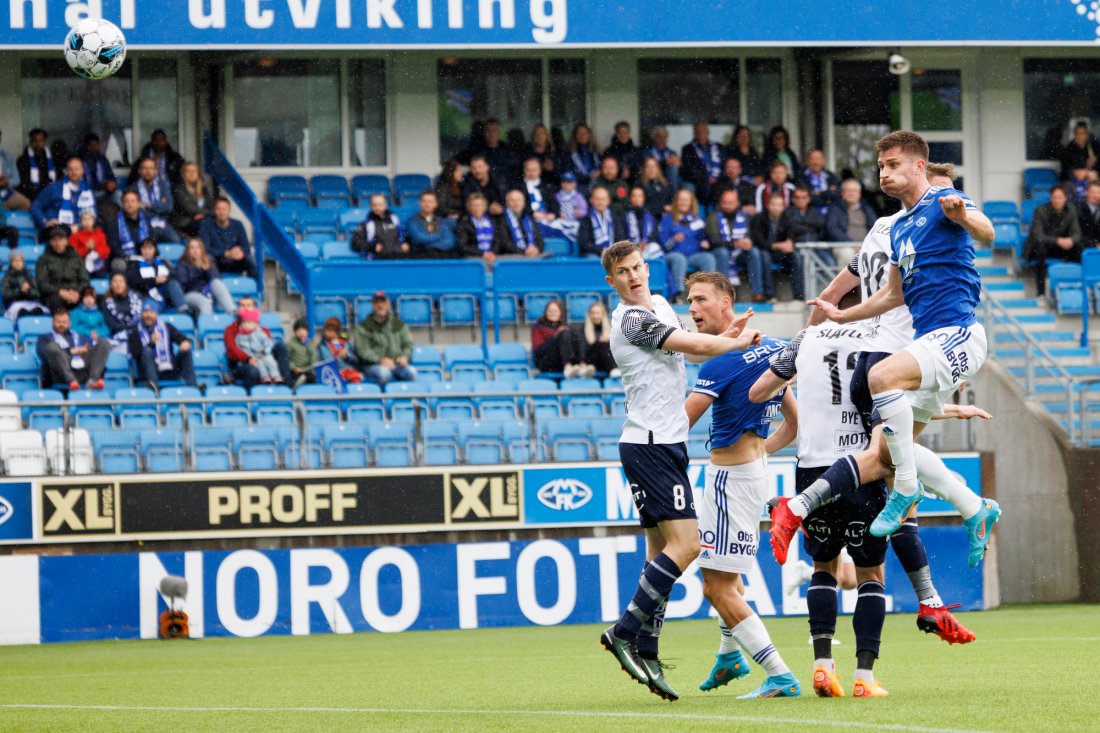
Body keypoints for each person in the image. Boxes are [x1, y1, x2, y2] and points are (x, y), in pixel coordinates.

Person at [797, 131, 1001, 568]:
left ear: (918, 167)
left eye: (892, 165)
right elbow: (891, 296)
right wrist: (841, 315)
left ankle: (907, 487)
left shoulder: (945, 201)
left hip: (959, 332)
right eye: (881, 167)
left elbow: (988, 233)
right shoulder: (901, 227)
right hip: (929, 341)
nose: (884, 173)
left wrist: (963, 215)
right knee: (887, 451)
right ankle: (974, 508)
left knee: (879, 378)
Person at [597, 240, 761, 701]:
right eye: (622, 273)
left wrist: (727, 336)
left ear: (645, 269)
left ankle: (647, 649)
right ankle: (625, 632)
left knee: (659, 555)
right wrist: (732, 339)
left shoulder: (663, 305)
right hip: (649, 444)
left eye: (636, 268)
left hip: (665, 443)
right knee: (687, 545)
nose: (632, 277)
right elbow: (693, 343)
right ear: (612, 283)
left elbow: (692, 353)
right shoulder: (631, 319)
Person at [747, 310, 891, 698]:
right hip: (862, 466)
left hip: (811, 467)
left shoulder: (804, 339)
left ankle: (823, 668)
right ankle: (864, 677)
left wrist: (797, 386)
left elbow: (759, 391)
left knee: (823, 567)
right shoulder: (879, 334)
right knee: (870, 574)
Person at [681, 271, 802, 700]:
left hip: (729, 481)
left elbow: (681, 423)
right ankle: (728, 655)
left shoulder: (720, 360)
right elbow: (793, 421)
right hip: (753, 475)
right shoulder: (768, 346)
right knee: (726, 580)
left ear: (726, 303)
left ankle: (779, 674)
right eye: (689, 301)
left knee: (715, 586)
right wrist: (760, 452)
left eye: (700, 300)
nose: (692, 309)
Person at [37, 304, 110, 391]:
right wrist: (71, 351)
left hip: (83, 371)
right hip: (61, 374)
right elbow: (42, 354)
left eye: (64, 322)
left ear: (70, 323)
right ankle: (71, 381)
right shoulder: (45, 338)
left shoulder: (78, 336)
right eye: (58, 322)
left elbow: (87, 349)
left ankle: (93, 380)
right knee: (52, 347)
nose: (61, 325)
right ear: (52, 322)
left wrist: (87, 349)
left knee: (103, 342)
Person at [660, 188, 715, 303]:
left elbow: (702, 237)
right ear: (676, 202)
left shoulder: (696, 219)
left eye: (686, 200)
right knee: (679, 259)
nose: (683, 202)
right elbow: (663, 245)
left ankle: (706, 293)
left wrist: (704, 242)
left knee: (708, 258)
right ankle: (677, 294)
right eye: (681, 200)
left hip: (691, 256)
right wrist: (674, 239)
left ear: (691, 203)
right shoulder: (668, 218)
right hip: (672, 255)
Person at [1027, 185, 1082, 298]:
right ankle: (1041, 292)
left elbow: (1077, 234)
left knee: (1079, 248)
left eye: (1060, 197)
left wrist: (1070, 240)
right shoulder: (1040, 211)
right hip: (1043, 247)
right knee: (1040, 249)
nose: (1057, 200)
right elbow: (1038, 236)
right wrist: (1058, 241)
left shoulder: (1071, 210)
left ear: (1065, 198)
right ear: (1051, 198)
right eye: (1054, 197)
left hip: (1060, 248)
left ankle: (1076, 287)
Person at [224, 296, 292, 388]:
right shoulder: (231, 328)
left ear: (254, 309)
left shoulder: (263, 330)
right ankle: (250, 398)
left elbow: (267, 345)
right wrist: (248, 358)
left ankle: (287, 387)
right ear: (238, 309)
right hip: (241, 364)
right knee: (253, 370)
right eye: (242, 305)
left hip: (261, 358)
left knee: (281, 347)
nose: (245, 308)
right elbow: (231, 350)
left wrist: (263, 353)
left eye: (248, 305)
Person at [351, 291, 416, 386]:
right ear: (372, 305)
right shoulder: (363, 327)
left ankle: (404, 400)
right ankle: (385, 399)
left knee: (411, 373)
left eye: (383, 302)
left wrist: (405, 356)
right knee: (384, 373)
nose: (380, 305)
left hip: (396, 364)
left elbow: (408, 345)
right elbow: (362, 351)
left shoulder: (398, 324)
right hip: (371, 365)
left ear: (388, 304)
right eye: (376, 302)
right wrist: (380, 360)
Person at [129, 302, 197, 391]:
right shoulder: (135, 331)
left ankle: (193, 387)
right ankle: (153, 385)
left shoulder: (166, 327)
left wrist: (185, 343)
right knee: (147, 351)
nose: (148, 315)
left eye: (151, 312)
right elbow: (136, 354)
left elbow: (183, 339)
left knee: (186, 350)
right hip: (147, 372)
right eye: (145, 312)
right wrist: (151, 343)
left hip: (169, 368)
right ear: (141, 314)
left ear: (156, 314)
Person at [749, 192, 804, 302]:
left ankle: (799, 294)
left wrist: (789, 242)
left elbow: (793, 234)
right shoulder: (759, 218)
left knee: (797, 256)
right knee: (764, 255)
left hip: (782, 254)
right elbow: (759, 241)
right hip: (766, 251)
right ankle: (769, 295)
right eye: (773, 204)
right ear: (768, 205)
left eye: (779, 205)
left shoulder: (787, 218)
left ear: (783, 207)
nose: (776, 208)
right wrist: (778, 245)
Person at [107, 189, 176, 271]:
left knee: (166, 263)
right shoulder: (114, 224)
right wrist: (133, 259)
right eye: (126, 202)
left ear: (138, 203)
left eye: (133, 201)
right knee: (119, 265)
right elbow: (115, 248)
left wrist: (148, 255)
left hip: (145, 257)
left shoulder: (147, 222)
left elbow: (152, 242)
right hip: (125, 260)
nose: (130, 205)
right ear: (122, 204)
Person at [705, 189, 759, 289]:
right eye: (724, 203)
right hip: (719, 253)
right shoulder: (713, 217)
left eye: (730, 203)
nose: (727, 206)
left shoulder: (744, 216)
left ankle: (758, 292)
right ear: (720, 203)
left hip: (739, 254)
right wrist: (734, 244)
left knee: (754, 252)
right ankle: (724, 290)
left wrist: (747, 241)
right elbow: (714, 241)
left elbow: (750, 235)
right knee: (723, 252)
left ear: (737, 203)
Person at [30, 157, 95, 236]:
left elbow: (93, 214)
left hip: (80, 231)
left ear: (82, 171)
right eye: (70, 169)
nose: (74, 172)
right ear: (67, 171)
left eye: (77, 169)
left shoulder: (87, 190)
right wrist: (45, 221)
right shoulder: (54, 188)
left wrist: (79, 226)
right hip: (58, 230)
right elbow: (35, 205)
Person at [199, 196, 258, 279]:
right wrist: (226, 253)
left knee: (250, 259)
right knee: (208, 258)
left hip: (235, 261)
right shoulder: (206, 224)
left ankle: (253, 287)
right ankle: (217, 287)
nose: (221, 212)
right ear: (215, 211)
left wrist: (239, 251)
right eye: (218, 209)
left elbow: (246, 247)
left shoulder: (238, 224)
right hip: (217, 261)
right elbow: (204, 248)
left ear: (229, 211)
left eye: (224, 209)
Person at [175, 237, 237, 315]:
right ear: (187, 251)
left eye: (197, 248)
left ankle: (233, 312)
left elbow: (216, 278)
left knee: (216, 282)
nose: (195, 251)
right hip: (190, 294)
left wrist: (207, 269)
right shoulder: (182, 264)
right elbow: (183, 284)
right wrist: (198, 270)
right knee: (204, 301)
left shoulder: (207, 261)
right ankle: (206, 324)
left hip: (206, 292)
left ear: (201, 250)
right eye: (192, 248)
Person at [531, 299, 590, 378]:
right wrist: (556, 336)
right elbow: (539, 350)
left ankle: (582, 364)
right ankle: (567, 366)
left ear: (560, 313)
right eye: (550, 311)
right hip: (546, 363)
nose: (553, 313)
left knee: (577, 334)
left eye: (555, 311)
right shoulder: (538, 327)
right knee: (564, 334)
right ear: (546, 313)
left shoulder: (565, 327)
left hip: (560, 361)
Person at [126, 238, 188, 312]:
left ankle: (183, 309)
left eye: (150, 248)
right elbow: (133, 282)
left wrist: (165, 279)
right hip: (146, 295)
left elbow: (173, 276)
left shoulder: (163, 261)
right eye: (144, 248)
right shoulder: (134, 263)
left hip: (164, 294)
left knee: (173, 283)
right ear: (140, 250)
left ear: (155, 250)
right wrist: (154, 281)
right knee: (150, 307)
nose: (147, 251)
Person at [36, 226, 89, 311]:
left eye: (61, 239)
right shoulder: (43, 260)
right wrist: (61, 292)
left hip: (75, 293)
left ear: (67, 241)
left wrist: (77, 292)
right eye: (54, 240)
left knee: (93, 298)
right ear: (50, 242)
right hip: (54, 294)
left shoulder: (76, 257)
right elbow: (42, 284)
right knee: (56, 301)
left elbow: (85, 280)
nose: (58, 243)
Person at [132, 157, 180, 242]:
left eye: (151, 168)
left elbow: (168, 207)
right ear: (139, 171)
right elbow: (137, 211)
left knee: (176, 241)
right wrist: (159, 208)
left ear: (156, 171)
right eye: (145, 168)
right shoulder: (133, 189)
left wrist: (147, 206)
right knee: (149, 245)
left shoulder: (163, 187)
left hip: (162, 223)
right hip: (144, 224)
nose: (148, 171)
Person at [351, 193, 408, 259]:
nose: (377, 207)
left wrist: (406, 244)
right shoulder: (366, 224)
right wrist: (373, 246)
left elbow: (404, 236)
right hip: (376, 262)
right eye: (374, 205)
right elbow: (356, 243)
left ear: (385, 205)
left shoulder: (395, 220)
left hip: (397, 260)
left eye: (380, 204)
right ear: (370, 206)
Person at [234, 308, 282, 384]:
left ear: (255, 324)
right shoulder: (239, 337)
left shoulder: (260, 334)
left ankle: (276, 376)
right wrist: (248, 358)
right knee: (259, 364)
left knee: (270, 360)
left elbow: (268, 343)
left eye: (249, 323)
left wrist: (265, 350)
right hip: (251, 358)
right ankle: (265, 377)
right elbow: (239, 350)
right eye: (244, 323)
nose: (246, 325)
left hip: (263, 354)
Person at [680, 121, 724, 204]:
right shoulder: (688, 149)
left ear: (708, 132)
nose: (701, 134)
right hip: (698, 182)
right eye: (698, 131)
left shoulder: (719, 147)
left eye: (703, 131)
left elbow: (725, 166)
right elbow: (688, 170)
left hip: (718, 180)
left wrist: (716, 178)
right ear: (694, 133)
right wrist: (706, 178)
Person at [406, 190, 458, 258]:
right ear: (420, 203)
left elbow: (450, 242)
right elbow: (418, 238)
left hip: (442, 255)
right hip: (421, 256)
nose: (427, 204)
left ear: (436, 204)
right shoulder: (413, 221)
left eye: (430, 202)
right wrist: (439, 235)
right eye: (424, 201)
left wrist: (430, 246)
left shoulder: (442, 221)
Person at [787, 186, 831, 266]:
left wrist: (801, 223)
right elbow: (792, 227)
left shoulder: (814, 211)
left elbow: (820, 223)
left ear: (808, 199)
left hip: (815, 248)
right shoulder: (788, 213)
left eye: (804, 197)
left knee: (829, 262)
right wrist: (811, 227)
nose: (801, 200)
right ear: (792, 199)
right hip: (797, 248)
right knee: (799, 260)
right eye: (797, 197)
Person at [456, 193, 504, 266]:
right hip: (474, 256)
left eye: (480, 205)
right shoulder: (464, 223)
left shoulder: (493, 221)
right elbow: (463, 246)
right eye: (474, 205)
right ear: (469, 207)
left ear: (485, 207)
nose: (477, 208)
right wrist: (482, 254)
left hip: (492, 255)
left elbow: (497, 241)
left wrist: (492, 252)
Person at [825, 179, 878, 245]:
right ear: (842, 193)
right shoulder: (835, 208)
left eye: (854, 191)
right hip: (842, 245)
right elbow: (832, 229)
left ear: (859, 194)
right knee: (846, 254)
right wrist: (850, 243)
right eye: (848, 191)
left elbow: (875, 227)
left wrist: (868, 243)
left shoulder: (866, 208)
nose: (851, 193)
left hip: (866, 245)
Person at [578, 188, 626, 258]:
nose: (600, 202)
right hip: (594, 254)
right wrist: (603, 251)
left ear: (608, 201)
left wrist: (613, 251)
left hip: (613, 253)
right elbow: (585, 243)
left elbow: (621, 238)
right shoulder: (586, 219)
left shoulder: (615, 217)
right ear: (591, 200)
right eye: (597, 199)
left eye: (603, 199)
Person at [1, 250, 48, 320]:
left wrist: (28, 291)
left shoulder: (29, 275)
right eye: (14, 261)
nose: (17, 263)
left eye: (19, 260)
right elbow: (6, 294)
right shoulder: (7, 277)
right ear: (10, 262)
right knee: (21, 311)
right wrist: (20, 290)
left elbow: (37, 292)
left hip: (31, 303)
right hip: (15, 304)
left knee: (38, 310)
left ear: (23, 262)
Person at [102, 272, 145, 348]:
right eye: (115, 281)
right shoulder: (106, 301)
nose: (118, 285)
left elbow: (141, 317)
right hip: (119, 334)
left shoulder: (136, 297)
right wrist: (130, 328)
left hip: (138, 332)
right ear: (111, 285)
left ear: (125, 284)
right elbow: (113, 325)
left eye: (121, 281)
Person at [171, 161, 214, 237]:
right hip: (186, 222)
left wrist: (205, 215)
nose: (192, 174)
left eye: (194, 171)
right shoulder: (179, 189)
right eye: (188, 171)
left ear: (198, 174)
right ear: (183, 174)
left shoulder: (203, 188)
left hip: (202, 220)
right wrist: (208, 213)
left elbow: (211, 205)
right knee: (207, 224)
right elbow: (189, 208)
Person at [470, 118, 518, 182]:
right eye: (488, 130)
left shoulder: (507, 150)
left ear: (499, 132)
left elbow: (513, 169)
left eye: (494, 130)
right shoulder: (477, 151)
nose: (491, 133)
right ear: (484, 132)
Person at [499, 189, 544, 257]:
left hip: (532, 255)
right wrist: (524, 251)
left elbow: (539, 240)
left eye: (519, 200)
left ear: (524, 202)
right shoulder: (502, 219)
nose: (516, 203)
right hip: (513, 259)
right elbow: (505, 243)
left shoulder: (530, 218)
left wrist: (537, 249)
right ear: (507, 203)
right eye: (512, 200)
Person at [16, 128, 56, 202]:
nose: (37, 144)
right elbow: (23, 184)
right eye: (35, 141)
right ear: (31, 142)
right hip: (32, 195)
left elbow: (56, 178)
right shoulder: (23, 160)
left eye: (40, 141)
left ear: (45, 142)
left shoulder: (52, 158)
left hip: (50, 193)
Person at [78, 133, 118, 205]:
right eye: (91, 145)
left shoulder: (103, 160)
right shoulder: (81, 161)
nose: (94, 147)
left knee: (118, 194)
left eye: (96, 144)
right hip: (87, 194)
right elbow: (82, 183)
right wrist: (102, 186)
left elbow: (111, 177)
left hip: (105, 193)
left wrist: (112, 184)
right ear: (86, 146)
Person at [318, 317, 362, 383]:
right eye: (325, 330)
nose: (326, 333)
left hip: (349, 372)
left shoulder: (346, 343)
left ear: (335, 331)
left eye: (329, 331)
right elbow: (323, 362)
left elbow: (355, 361)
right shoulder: (323, 346)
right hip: (333, 374)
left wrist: (347, 356)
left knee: (356, 378)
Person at [580, 300, 617, 376]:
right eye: (593, 313)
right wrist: (598, 342)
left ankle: (614, 369)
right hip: (591, 360)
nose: (595, 316)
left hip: (604, 360)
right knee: (602, 344)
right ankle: (613, 369)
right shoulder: (583, 329)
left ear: (603, 314)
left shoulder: (610, 328)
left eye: (598, 313)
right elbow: (582, 348)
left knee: (605, 344)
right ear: (589, 314)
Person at [69, 209, 110, 277]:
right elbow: (73, 255)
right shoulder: (75, 236)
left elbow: (106, 252)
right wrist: (86, 248)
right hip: (81, 266)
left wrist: (95, 248)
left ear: (93, 220)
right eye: (84, 219)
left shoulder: (100, 234)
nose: (87, 222)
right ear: (81, 221)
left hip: (98, 266)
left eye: (89, 219)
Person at [516, 157, 558, 222]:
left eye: (534, 170)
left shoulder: (547, 186)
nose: (531, 173)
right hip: (529, 220)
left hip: (548, 219)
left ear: (540, 170)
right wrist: (532, 213)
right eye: (528, 170)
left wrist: (554, 214)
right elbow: (518, 205)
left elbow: (554, 203)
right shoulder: (519, 187)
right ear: (524, 170)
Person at [799, 148, 841, 213]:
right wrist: (827, 197)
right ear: (808, 161)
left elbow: (836, 194)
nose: (816, 162)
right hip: (810, 213)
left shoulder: (831, 176)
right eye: (813, 159)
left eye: (819, 159)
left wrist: (819, 193)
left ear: (823, 161)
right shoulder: (801, 176)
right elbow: (806, 197)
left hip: (831, 213)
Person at [0, 129, 31, 212]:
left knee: (25, 204)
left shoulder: (7, 156)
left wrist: (7, 182)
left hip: (5, 193)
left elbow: (16, 179)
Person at [644, 126, 683, 191]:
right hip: (657, 176)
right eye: (660, 137)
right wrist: (665, 161)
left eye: (665, 137)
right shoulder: (648, 151)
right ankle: (673, 197)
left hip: (671, 178)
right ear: (654, 138)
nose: (662, 140)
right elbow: (646, 166)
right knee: (673, 170)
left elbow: (679, 166)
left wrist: (679, 164)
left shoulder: (672, 152)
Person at [564, 123, 600, 188]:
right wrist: (589, 177)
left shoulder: (596, 151)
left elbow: (602, 167)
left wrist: (599, 172)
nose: (582, 136)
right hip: (579, 185)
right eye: (579, 133)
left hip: (597, 184)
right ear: (575, 136)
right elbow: (569, 173)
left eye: (584, 133)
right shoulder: (569, 153)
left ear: (589, 135)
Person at [623, 187, 658, 253]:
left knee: (654, 247)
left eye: (639, 196)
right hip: (630, 249)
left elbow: (655, 234)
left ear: (644, 198)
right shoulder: (624, 216)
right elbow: (621, 236)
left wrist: (646, 243)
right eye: (634, 196)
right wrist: (636, 245)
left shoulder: (650, 216)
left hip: (648, 248)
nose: (637, 199)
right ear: (630, 198)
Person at [287, 318, 318, 386]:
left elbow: (314, 359)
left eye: (303, 330)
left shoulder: (310, 344)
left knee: (313, 378)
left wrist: (310, 346)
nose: (301, 332)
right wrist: (294, 368)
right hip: (296, 371)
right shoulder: (291, 343)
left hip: (308, 371)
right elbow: (287, 359)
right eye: (298, 330)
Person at [1077, 179, 1100, 248]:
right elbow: (1077, 234)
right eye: (1093, 192)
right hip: (1082, 247)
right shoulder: (1077, 209)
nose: (1096, 195)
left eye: (1098, 192)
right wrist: (1095, 245)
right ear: (1086, 192)